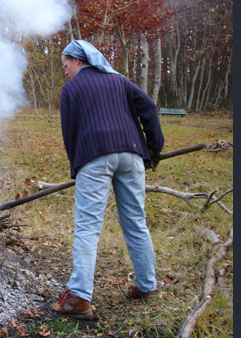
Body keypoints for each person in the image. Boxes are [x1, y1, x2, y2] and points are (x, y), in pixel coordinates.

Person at [49, 40, 165, 320]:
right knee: (136, 222)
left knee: (88, 227)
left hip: (94, 156)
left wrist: (77, 165)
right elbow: (148, 108)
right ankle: (147, 287)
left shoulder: (72, 89)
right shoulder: (120, 80)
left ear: (78, 60)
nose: (65, 72)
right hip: (132, 155)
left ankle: (78, 298)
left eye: (66, 66)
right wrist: (154, 147)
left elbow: (70, 133)